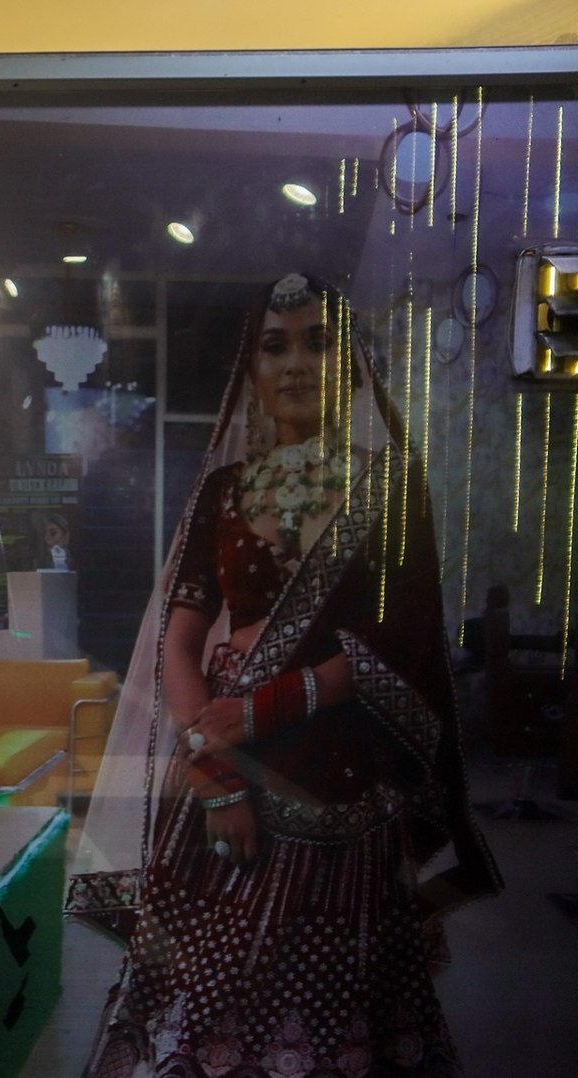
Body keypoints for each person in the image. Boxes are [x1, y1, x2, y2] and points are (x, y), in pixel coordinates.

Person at [68, 274, 499, 1076]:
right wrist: (212, 771)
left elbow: (399, 640)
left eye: (318, 342)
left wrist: (262, 709)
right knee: (207, 1008)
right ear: (253, 370)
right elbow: (179, 643)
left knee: (331, 1013)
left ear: (350, 365)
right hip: (221, 776)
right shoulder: (223, 492)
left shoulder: (389, 486)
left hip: (337, 782)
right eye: (275, 346)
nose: (296, 363)